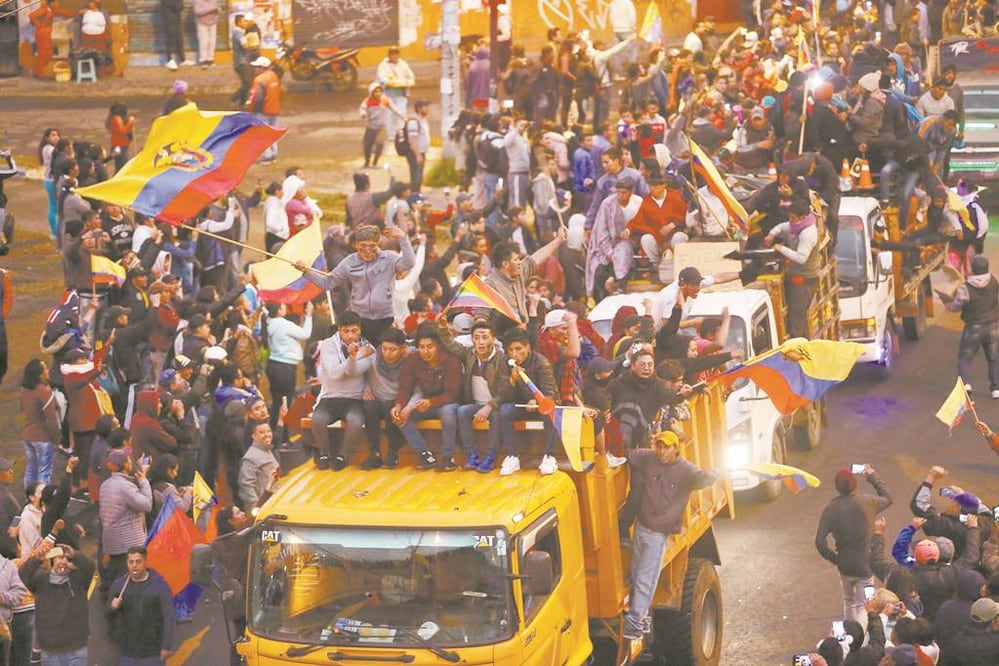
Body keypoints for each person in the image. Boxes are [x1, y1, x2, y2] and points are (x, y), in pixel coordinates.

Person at [622, 431, 719, 640]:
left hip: (657, 535)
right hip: (641, 528)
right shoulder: (648, 457)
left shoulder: (686, 471)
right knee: (637, 574)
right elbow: (627, 454)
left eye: (666, 447)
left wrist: (712, 474)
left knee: (645, 580)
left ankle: (634, 623)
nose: (662, 451)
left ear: (676, 448)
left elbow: (701, 479)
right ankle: (643, 618)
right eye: (659, 446)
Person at [296, 224, 414, 342]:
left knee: (383, 354)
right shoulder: (349, 262)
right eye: (363, 245)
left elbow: (409, 263)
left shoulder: (388, 258)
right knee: (362, 356)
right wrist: (306, 271)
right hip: (360, 319)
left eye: (372, 246)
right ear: (356, 244)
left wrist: (403, 237)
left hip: (385, 318)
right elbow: (327, 283)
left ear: (378, 244)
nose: (367, 250)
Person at [814, 466, 893, 627]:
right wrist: (872, 475)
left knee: (848, 601)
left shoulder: (830, 509)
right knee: (867, 603)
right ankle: (864, 633)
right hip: (866, 567)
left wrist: (836, 559)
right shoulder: (868, 502)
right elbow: (888, 497)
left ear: (837, 486)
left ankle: (850, 634)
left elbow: (820, 542)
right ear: (855, 484)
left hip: (845, 567)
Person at [391, 326, 462, 470]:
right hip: (424, 403)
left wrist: (431, 402)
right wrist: (399, 405)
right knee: (400, 416)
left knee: (448, 413)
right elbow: (405, 387)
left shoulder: (451, 360)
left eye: (430, 347)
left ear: (439, 346)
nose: (425, 351)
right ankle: (425, 454)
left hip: (448, 403)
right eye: (421, 347)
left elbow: (452, 393)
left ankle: (448, 457)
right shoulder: (413, 359)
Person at [310, 311, 369, 471]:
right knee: (317, 420)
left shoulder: (367, 347)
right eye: (346, 331)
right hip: (330, 397)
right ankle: (324, 453)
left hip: (354, 398)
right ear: (339, 330)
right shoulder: (328, 344)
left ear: (360, 330)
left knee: (356, 421)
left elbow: (353, 372)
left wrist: (352, 358)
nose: (350, 335)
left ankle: (343, 455)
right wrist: (353, 358)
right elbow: (335, 373)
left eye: (354, 331)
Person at [19, 544, 94, 666]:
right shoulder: (41, 579)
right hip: (50, 651)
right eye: (59, 557)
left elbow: (90, 567)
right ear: (53, 559)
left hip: (76, 649)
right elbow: (23, 574)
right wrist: (36, 559)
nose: (63, 561)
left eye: (67, 558)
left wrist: (75, 555)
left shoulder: (79, 579)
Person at [938, 255, 999, 397]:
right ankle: (995, 388)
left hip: (973, 328)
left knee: (964, 358)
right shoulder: (994, 281)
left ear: (972, 269)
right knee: (993, 358)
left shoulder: (965, 288)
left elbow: (955, 307)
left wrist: (946, 301)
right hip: (992, 327)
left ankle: (966, 384)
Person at [97, 448, 152, 600]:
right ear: (125, 464)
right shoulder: (125, 487)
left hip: (112, 544)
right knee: (129, 586)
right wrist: (144, 481)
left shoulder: (106, 485)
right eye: (128, 460)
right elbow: (146, 504)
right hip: (129, 544)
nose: (130, 462)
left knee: (117, 582)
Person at [106, 546, 175, 665]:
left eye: (138, 561)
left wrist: (166, 645)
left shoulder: (160, 586)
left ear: (145, 562)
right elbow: (108, 615)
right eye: (131, 562)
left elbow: (168, 616)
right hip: (127, 652)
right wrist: (112, 608)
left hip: (152, 653)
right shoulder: (119, 586)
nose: (134, 565)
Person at [763, 198, 821, 339]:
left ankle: (798, 349)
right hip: (796, 279)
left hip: (804, 282)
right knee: (798, 317)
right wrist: (772, 234)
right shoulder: (797, 225)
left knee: (797, 319)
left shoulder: (808, 234)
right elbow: (783, 227)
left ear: (802, 217)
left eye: (793, 217)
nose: (790, 220)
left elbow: (801, 258)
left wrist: (781, 248)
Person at [355, 327, 409, 470]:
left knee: (388, 407)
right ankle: (375, 454)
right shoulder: (374, 358)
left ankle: (393, 452)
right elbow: (362, 372)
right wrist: (366, 389)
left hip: (397, 402)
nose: (387, 353)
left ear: (402, 349)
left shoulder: (409, 361)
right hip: (378, 399)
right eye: (384, 348)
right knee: (369, 406)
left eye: (392, 350)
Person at [262, 301, 312, 429]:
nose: (285, 307)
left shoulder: (268, 322)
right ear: (278, 310)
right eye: (283, 306)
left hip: (273, 365)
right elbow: (305, 334)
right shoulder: (283, 325)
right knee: (287, 403)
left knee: (277, 402)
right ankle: (285, 437)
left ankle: (273, 431)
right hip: (286, 367)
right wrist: (309, 315)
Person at [20, 359, 60, 487]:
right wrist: (56, 440)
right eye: (45, 369)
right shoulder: (44, 391)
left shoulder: (24, 390)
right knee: (44, 473)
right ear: (39, 375)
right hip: (42, 438)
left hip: (27, 436)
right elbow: (51, 419)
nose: (48, 371)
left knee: (31, 470)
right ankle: (41, 501)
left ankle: (30, 499)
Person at [246, 57, 281, 164]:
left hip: (263, 111)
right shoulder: (274, 76)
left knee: (262, 134)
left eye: (256, 67)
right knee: (272, 133)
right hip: (274, 109)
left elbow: (257, 98)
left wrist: (253, 110)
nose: (254, 69)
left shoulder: (259, 80)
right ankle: (274, 154)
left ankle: (267, 156)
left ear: (262, 68)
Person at [376, 47, 416, 136]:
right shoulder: (383, 65)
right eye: (392, 54)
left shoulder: (403, 64)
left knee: (401, 113)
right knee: (389, 115)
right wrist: (390, 82)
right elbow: (381, 78)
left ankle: (401, 134)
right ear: (389, 55)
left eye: (395, 54)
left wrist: (409, 82)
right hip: (388, 94)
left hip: (401, 93)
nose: (394, 56)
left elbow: (411, 76)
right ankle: (391, 135)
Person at [29, 0, 75, 78]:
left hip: (48, 33)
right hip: (42, 33)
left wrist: (75, 14)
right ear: (51, 3)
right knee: (43, 53)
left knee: (49, 53)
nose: (58, 4)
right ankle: (40, 74)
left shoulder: (53, 10)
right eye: (56, 2)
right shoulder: (44, 9)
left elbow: (63, 12)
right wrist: (39, 25)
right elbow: (31, 15)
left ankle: (38, 72)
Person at [238, 422, 278, 510]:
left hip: (273, 503)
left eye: (268, 431)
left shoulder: (267, 451)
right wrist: (256, 508)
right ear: (254, 436)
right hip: (262, 507)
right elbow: (246, 485)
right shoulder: (250, 458)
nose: (267, 434)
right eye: (262, 432)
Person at [406, 100, 431, 193]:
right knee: (416, 177)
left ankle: (417, 194)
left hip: (421, 152)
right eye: (425, 107)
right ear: (419, 109)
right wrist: (418, 155)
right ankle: (414, 195)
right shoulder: (414, 122)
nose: (428, 109)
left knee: (419, 176)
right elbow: (413, 140)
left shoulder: (423, 120)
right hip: (415, 153)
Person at [160, 0, 192, 71]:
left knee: (179, 37)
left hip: (176, 17)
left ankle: (182, 59)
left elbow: (180, 5)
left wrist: (180, 5)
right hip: (168, 18)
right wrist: (179, 5)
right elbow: (176, 5)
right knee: (170, 37)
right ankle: (169, 60)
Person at [193, 0, 220, 66]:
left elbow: (218, 9)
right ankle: (203, 60)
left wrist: (217, 11)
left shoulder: (214, 1)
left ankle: (210, 59)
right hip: (202, 23)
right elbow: (197, 12)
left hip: (213, 23)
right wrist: (209, 10)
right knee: (203, 41)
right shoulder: (197, 1)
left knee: (212, 41)